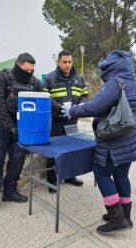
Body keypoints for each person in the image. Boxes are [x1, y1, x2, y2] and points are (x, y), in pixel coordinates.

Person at [61, 50, 136, 234]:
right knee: (121, 175)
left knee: (101, 173)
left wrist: (73, 110)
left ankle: (117, 220)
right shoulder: (133, 82)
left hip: (115, 138)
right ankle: (125, 216)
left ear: (112, 66)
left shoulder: (115, 82)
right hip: (131, 136)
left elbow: (95, 107)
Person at [0, 53, 42, 217]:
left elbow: (45, 99)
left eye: (32, 70)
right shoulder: (2, 76)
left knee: (17, 159)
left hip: (21, 126)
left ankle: (9, 192)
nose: (29, 73)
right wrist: (10, 127)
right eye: (26, 70)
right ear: (18, 65)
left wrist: (60, 109)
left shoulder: (34, 82)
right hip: (0, 125)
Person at [43, 50, 88, 193]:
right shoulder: (50, 78)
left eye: (69, 62)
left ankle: (70, 176)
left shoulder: (79, 78)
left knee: (71, 151)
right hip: (56, 122)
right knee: (54, 152)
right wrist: (59, 108)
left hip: (73, 121)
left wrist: (81, 105)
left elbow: (84, 95)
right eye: (64, 62)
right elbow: (45, 97)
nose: (67, 65)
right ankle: (52, 181)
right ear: (58, 62)